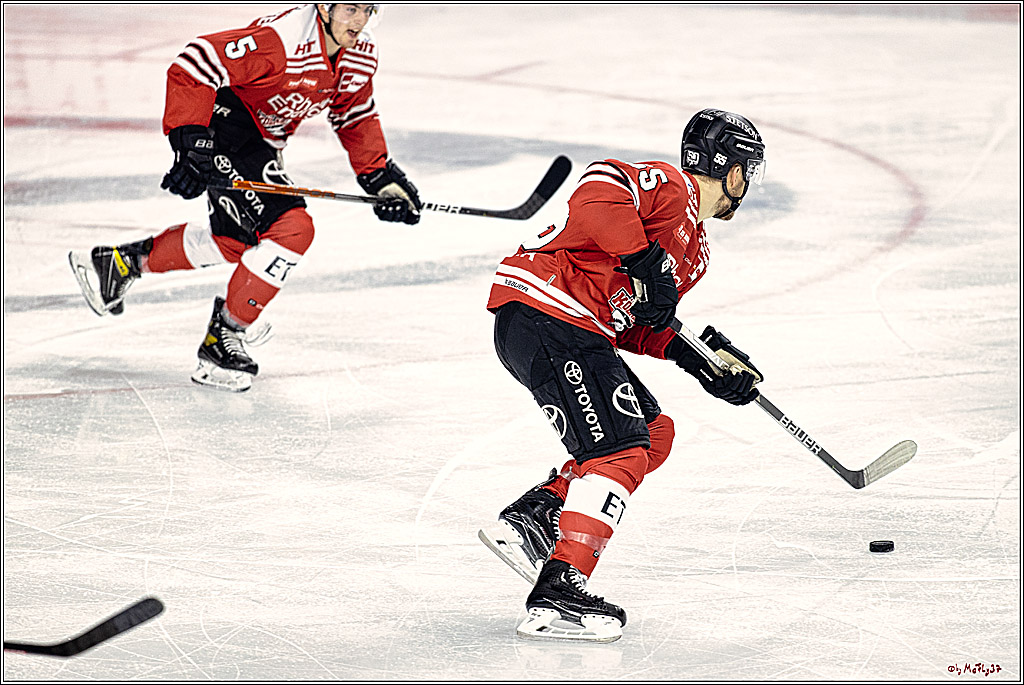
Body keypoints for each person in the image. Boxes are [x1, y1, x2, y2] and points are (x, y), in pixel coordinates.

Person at [478, 109, 767, 642]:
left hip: (567, 327)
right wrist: (643, 259)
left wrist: (703, 361)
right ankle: (560, 589)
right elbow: (596, 189)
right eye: (749, 172)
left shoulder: (696, 253)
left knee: (653, 433)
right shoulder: (673, 188)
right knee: (621, 450)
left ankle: (540, 514)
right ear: (732, 171)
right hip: (548, 310)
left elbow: (633, 322)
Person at [68, 4, 421, 392]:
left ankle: (119, 264)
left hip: (261, 144)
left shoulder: (360, 52)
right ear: (324, 6)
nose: (359, 21)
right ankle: (224, 337)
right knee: (290, 229)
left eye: (368, 9)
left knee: (237, 241)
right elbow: (197, 61)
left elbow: (353, 113)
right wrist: (191, 141)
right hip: (225, 125)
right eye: (350, 8)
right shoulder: (282, 40)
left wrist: (379, 176)